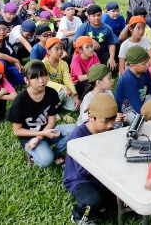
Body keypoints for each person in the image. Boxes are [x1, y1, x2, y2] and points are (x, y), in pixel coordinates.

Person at [8, 60, 77, 167]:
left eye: (44, 75)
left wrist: (40, 136)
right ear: (26, 80)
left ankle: (55, 154)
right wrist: (39, 136)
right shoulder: (20, 101)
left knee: (75, 130)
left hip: (47, 131)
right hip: (30, 137)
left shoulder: (52, 93)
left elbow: (51, 121)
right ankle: (32, 153)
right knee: (46, 161)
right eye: (35, 77)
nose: (41, 81)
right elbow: (17, 131)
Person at [65, 93, 121, 224]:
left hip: (104, 176)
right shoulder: (77, 137)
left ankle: (104, 205)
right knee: (93, 202)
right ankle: (78, 216)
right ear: (90, 117)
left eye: (112, 119)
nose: (109, 125)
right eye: (105, 121)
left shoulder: (108, 130)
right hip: (80, 179)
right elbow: (83, 171)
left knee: (126, 203)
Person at [114, 45, 151, 123]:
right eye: (144, 63)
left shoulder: (144, 71)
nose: (148, 64)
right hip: (128, 109)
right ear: (132, 66)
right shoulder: (128, 80)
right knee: (139, 122)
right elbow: (137, 107)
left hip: (141, 100)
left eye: (148, 60)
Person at [74, 4, 118, 69]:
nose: (96, 18)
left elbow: (111, 44)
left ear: (102, 15)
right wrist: (90, 40)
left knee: (111, 68)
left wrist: (111, 58)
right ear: (88, 16)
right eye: (93, 16)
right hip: (87, 55)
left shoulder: (107, 28)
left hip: (103, 53)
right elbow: (75, 43)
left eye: (99, 15)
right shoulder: (83, 27)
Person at [43, 37, 79, 111]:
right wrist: (63, 87)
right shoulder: (44, 64)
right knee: (62, 93)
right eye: (56, 49)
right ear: (48, 51)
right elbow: (46, 82)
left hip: (61, 92)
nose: (60, 51)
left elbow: (68, 80)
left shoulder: (64, 64)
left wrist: (74, 95)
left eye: (61, 48)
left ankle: (58, 104)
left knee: (74, 108)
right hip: (48, 92)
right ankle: (49, 109)